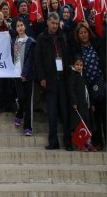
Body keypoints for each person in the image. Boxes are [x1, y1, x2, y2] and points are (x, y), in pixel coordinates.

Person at [35, 12, 73, 151]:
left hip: (62, 80)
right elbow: (38, 60)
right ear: (47, 22)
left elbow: (67, 57)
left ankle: (68, 142)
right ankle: (53, 142)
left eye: (57, 24)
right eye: (53, 23)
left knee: (65, 112)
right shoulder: (41, 38)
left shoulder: (62, 37)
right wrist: (42, 78)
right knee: (51, 113)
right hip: (50, 81)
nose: (55, 26)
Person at [73, 22, 106, 150]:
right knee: (95, 116)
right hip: (88, 87)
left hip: (101, 84)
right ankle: (98, 142)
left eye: (85, 32)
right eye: (81, 33)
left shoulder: (96, 46)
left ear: (89, 33)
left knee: (104, 114)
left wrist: (91, 25)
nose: (83, 35)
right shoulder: (78, 50)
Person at [12, 17, 36, 136]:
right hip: (16, 76)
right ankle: (19, 113)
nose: (20, 27)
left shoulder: (30, 41)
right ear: (15, 28)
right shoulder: (13, 41)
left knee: (28, 102)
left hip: (27, 76)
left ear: (25, 27)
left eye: (22, 25)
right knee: (21, 98)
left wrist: (24, 74)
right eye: (18, 26)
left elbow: (30, 60)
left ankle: (28, 127)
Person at [68, 57, 96, 152]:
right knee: (80, 124)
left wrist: (91, 103)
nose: (79, 67)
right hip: (78, 105)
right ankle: (80, 144)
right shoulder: (73, 76)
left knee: (88, 124)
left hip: (86, 105)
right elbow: (71, 90)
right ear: (73, 65)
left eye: (81, 65)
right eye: (77, 65)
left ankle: (88, 143)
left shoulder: (83, 76)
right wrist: (74, 102)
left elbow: (88, 91)